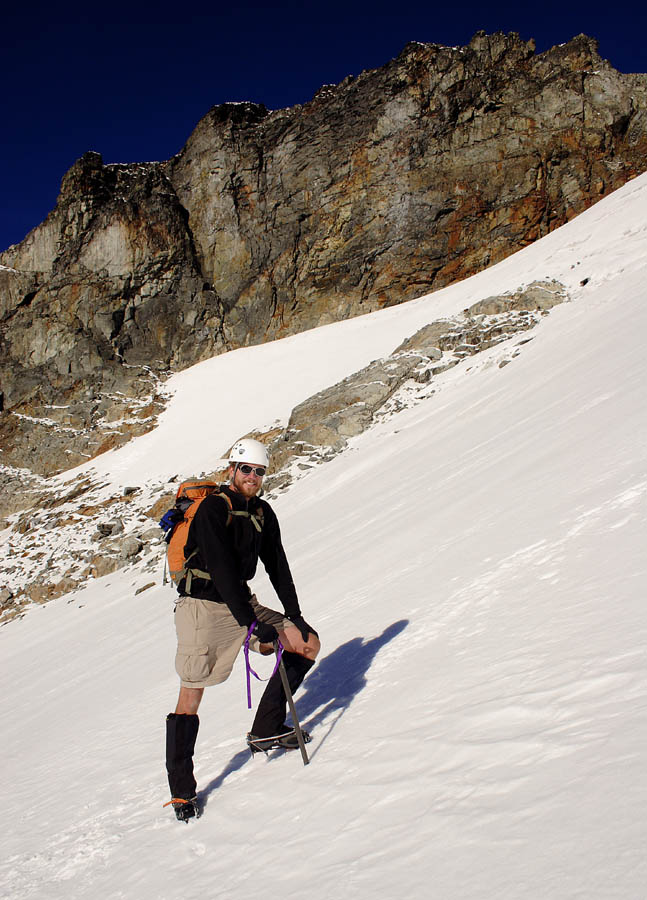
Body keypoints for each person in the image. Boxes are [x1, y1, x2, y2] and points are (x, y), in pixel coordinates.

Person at [165, 437, 320, 822]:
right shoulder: (213, 509)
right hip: (202, 605)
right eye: (246, 469)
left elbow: (277, 565)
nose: (253, 476)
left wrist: (293, 615)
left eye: (260, 471)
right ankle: (182, 792)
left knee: (306, 644)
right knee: (191, 696)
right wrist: (253, 625)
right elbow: (218, 567)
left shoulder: (262, 512)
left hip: (240, 601)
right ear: (231, 470)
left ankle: (266, 730)